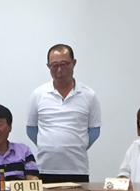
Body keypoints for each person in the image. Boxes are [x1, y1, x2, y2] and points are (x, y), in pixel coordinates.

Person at [26, 44, 101, 183]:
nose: (59, 70)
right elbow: (31, 129)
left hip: (77, 168)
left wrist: (75, 145)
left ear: (73, 63)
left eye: (64, 64)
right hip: (46, 168)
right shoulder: (38, 94)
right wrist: (49, 146)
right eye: (54, 65)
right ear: (48, 66)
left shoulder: (88, 95)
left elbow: (94, 131)